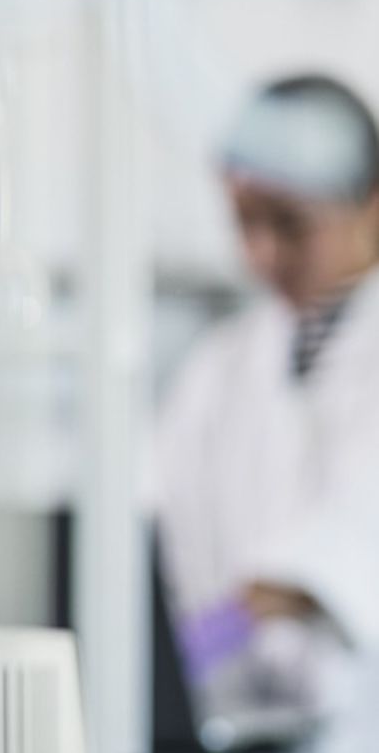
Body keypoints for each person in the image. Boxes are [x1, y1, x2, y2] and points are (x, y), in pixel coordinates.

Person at [155, 74, 379, 713]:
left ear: (371, 202)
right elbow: (159, 518)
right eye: (244, 222)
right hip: (242, 725)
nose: (262, 253)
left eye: (290, 225)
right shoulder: (222, 364)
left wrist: (218, 628)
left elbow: (342, 558)